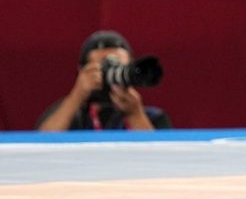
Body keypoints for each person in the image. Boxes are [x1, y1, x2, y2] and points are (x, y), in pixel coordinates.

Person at [37, 30, 170, 131]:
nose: (112, 73)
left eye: (118, 66)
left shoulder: (152, 116)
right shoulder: (70, 113)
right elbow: (41, 146)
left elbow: (161, 159)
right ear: (82, 71)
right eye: (104, 67)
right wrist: (76, 97)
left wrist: (135, 115)